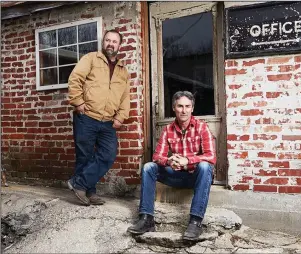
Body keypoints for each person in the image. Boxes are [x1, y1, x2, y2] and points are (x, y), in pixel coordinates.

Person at [127, 91, 216, 241]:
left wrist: (187, 160)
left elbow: (211, 156)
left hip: (196, 177)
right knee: (149, 167)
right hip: (176, 175)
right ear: (174, 107)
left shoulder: (202, 127)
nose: (184, 110)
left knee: (206, 167)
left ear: (192, 108)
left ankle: (195, 222)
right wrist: (168, 161)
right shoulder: (168, 129)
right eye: (180, 106)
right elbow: (157, 157)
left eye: (187, 106)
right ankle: (146, 218)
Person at [67, 29, 130, 206]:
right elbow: (75, 78)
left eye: (114, 41)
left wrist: (120, 117)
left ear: (119, 45)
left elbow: (125, 97)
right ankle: (89, 192)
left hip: (108, 121)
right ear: (103, 42)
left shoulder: (122, 71)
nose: (110, 44)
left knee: (108, 155)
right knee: (85, 155)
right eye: (108, 40)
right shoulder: (91, 59)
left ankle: (78, 183)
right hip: (86, 117)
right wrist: (78, 102)